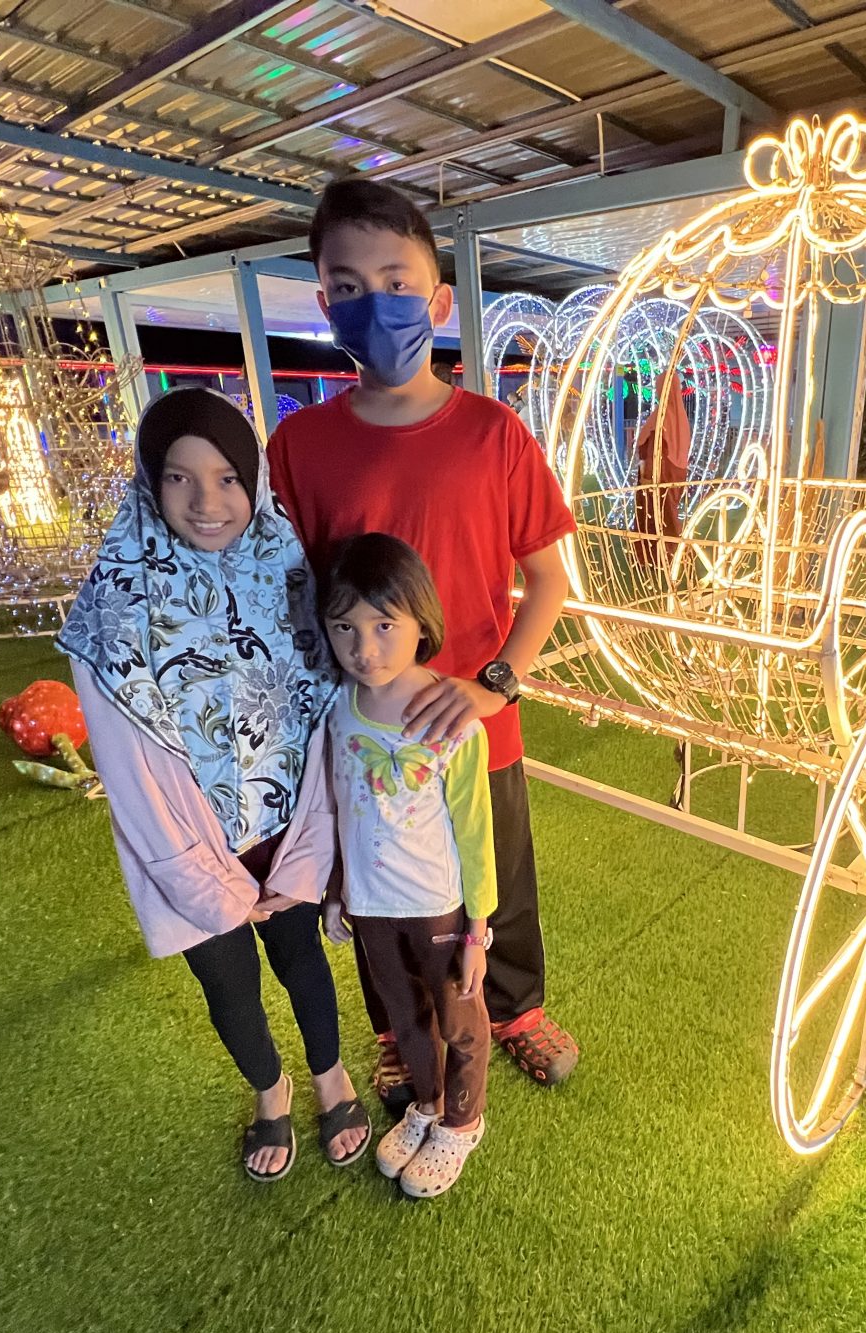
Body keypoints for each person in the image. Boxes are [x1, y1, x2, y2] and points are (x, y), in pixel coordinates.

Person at [270, 177, 579, 1113]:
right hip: (361, 729)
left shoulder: (494, 433)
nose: (377, 306)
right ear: (325, 304)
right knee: (374, 889)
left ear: (438, 301)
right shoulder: (301, 445)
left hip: (474, 726)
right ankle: (395, 1029)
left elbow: (550, 581)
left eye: (397, 282)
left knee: (498, 880)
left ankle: (515, 1012)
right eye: (350, 286)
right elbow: (287, 592)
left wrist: (494, 685)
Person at [58, 386, 370, 1182]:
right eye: (179, 477)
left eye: (229, 477)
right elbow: (129, 771)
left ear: (255, 482)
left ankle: (332, 1074)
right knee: (228, 985)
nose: (207, 501)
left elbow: (324, 711)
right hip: (189, 849)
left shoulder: (289, 571)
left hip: (285, 833)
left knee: (301, 959)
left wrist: (310, 847)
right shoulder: (113, 606)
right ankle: (272, 1092)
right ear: (147, 482)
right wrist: (205, 881)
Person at [319, 533, 495, 1198]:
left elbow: (477, 831)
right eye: (345, 628)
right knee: (405, 1019)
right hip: (369, 907)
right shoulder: (339, 707)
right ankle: (426, 1104)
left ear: (421, 621)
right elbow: (339, 802)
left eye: (384, 626)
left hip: (440, 907)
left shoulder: (453, 720)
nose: (364, 649)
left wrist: (479, 928)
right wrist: (338, 891)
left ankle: (462, 1120)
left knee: (459, 1022)